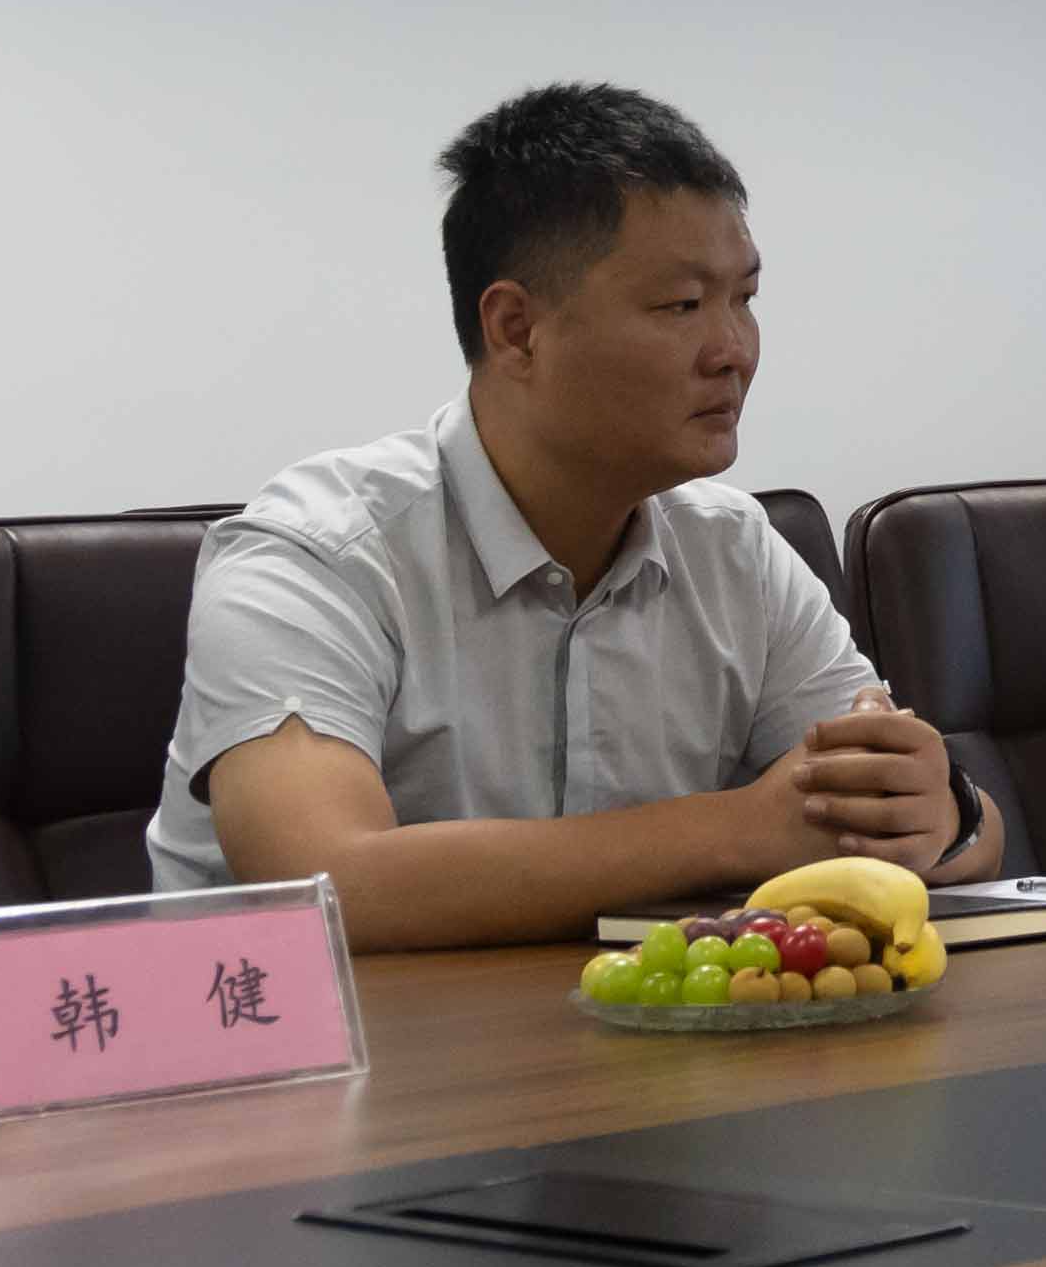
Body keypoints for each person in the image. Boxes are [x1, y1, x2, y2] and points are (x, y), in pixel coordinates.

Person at [148, 84, 996, 947]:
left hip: (629, 1027)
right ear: (517, 329)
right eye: (682, 306)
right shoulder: (317, 556)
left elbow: (953, 826)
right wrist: (736, 829)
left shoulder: (734, 550)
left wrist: (940, 812)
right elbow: (327, 882)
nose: (733, 351)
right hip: (304, 1032)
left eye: (744, 299)